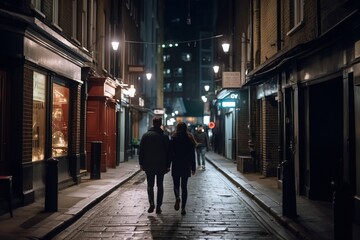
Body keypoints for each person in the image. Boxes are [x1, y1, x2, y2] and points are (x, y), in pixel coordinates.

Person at [138, 117, 170, 214]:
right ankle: (159, 207)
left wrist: (141, 163)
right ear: (160, 124)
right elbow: (168, 152)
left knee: (150, 185)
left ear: (152, 123)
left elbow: (141, 151)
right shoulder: (164, 136)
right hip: (161, 165)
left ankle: (151, 203)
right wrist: (168, 165)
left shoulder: (146, 135)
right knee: (160, 185)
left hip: (149, 164)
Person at [168, 122, 196, 215]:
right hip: (186, 165)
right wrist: (193, 167)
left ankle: (177, 197)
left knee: (176, 185)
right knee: (184, 187)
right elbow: (192, 155)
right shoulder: (189, 139)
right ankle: (183, 208)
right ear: (185, 128)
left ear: (177, 128)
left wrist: (168, 165)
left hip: (176, 164)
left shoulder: (173, 138)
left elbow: (170, 153)